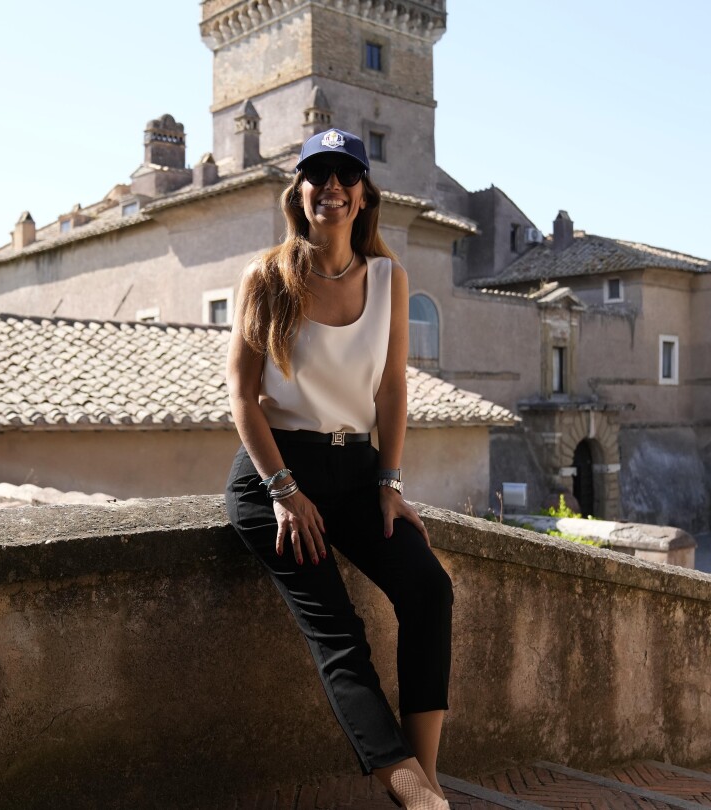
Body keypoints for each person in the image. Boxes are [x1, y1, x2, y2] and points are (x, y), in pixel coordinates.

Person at [224, 129, 453, 810]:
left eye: (344, 175)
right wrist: (284, 492)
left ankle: (429, 783)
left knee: (428, 591)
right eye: (316, 175)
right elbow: (241, 394)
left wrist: (391, 482)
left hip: (356, 470)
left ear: (363, 195)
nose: (330, 187)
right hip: (276, 473)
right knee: (339, 629)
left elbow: (390, 390)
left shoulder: (389, 278)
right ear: (300, 194)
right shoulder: (265, 278)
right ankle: (417, 796)